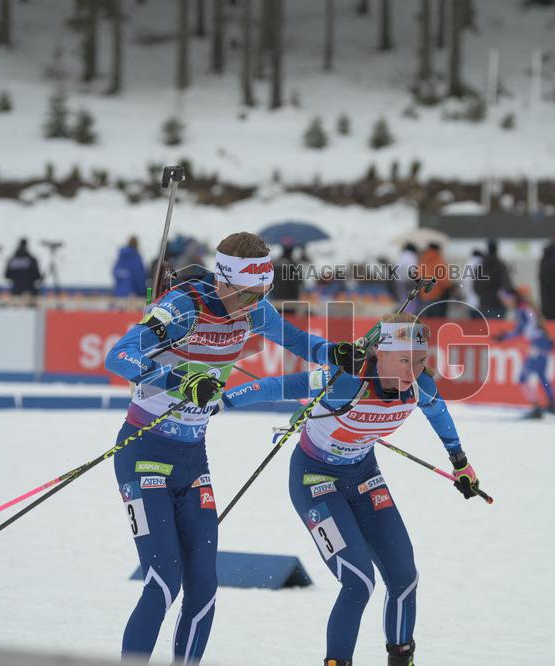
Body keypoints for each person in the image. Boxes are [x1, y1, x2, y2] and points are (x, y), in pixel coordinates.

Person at [103, 231, 366, 664]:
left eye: (262, 294)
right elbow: (119, 356)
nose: (254, 305)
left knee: (203, 586)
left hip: (192, 459)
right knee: (164, 579)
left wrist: (333, 352)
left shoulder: (253, 309)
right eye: (247, 295)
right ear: (223, 281)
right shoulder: (183, 307)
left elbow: (298, 342)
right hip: (144, 450)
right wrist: (181, 381)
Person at [221, 313, 480, 666]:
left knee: (404, 578)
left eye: (420, 361)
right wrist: (220, 402)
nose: (412, 371)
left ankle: (401, 659)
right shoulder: (345, 381)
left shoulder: (422, 386)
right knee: (359, 582)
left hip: (364, 477)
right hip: (315, 481)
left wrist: (460, 461)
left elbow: (440, 416)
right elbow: (275, 386)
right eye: (404, 360)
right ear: (380, 354)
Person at [494, 288, 555, 418]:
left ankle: (536, 406)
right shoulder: (529, 308)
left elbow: (520, 330)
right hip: (542, 343)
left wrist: (504, 337)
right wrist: (549, 339)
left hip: (538, 345)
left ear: (512, 298)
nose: (505, 303)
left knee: (523, 377)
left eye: (506, 299)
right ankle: (551, 403)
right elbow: (539, 325)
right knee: (541, 375)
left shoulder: (523, 310)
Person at [471, 239, 514, 320]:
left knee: (486, 329)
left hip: (483, 304)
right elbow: (507, 285)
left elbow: (475, 286)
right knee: (497, 329)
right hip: (497, 305)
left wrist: (482, 297)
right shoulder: (500, 265)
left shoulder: (480, 266)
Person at [417, 242, 450, 317]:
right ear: (438, 250)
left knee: (426, 323)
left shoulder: (422, 261)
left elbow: (418, 279)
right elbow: (445, 283)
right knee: (437, 324)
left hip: (424, 297)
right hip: (437, 297)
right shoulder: (440, 262)